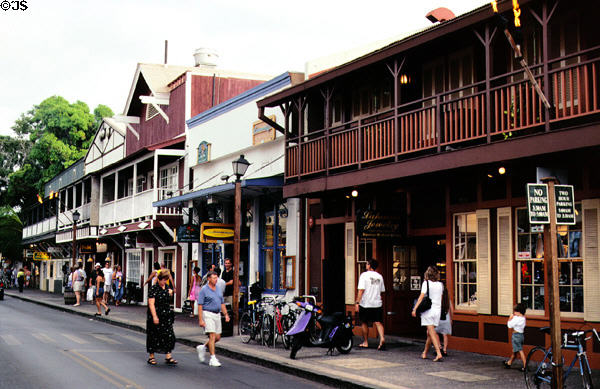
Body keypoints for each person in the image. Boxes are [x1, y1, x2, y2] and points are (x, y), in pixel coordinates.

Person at [196, 271, 230, 367]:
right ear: (209, 279)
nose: (216, 280)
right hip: (208, 314)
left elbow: (222, 303)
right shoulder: (204, 290)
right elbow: (200, 305)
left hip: (217, 314)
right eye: (214, 278)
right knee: (212, 335)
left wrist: (226, 314)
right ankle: (213, 358)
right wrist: (200, 320)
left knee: (217, 337)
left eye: (216, 278)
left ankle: (203, 347)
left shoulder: (218, 289)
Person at [412, 266, 444, 362]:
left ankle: (438, 352)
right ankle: (425, 352)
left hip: (428, 310)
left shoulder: (426, 283)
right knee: (430, 333)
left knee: (431, 332)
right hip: (437, 309)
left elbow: (421, 297)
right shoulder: (440, 285)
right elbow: (441, 298)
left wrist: (415, 309)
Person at [146, 270, 177, 366]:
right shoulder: (154, 289)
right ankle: (151, 357)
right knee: (154, 335)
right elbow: (151, 304)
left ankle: (168, 355)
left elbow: (168, 298)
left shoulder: (167, 288)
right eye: (163, 280)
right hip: (156, 314)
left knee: (169, 335)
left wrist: (170, 293)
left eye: (166, 280)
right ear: (159, 279)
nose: (164, 282)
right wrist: (155, 316)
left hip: (166, 315)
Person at [355, 259, 386, 350]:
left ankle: (365, 342)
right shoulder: (380, 276)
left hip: (366, 303)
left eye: (367, 264)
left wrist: (357, 302)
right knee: (378, 322)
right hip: (377, 303)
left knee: (364, 322)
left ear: (370, 265)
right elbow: (382, 291)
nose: (366, 265)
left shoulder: (364, 275)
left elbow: (361, 290)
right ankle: (382, 339)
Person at [503, 303, 527, 371]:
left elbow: (509, 326)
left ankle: (525, 365)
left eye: (515, 311)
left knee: (520, 350)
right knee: (514, 351)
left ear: (518, 312)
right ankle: (509, 363)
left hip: (516, 336)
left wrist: (510, 319)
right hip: (521, 335)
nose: (514, 313)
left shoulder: (517, 319)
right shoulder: (523, 318)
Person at [435, 283, 453, 356]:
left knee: (435, 332)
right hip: (447, 318)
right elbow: (452, 310)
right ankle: (445, 349)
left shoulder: (438, 299)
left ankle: (439, 347)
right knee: (445, 334)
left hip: (438, 317)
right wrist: (451, 319)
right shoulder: (448, 300)